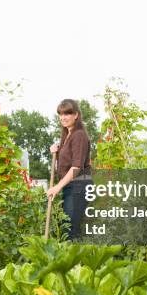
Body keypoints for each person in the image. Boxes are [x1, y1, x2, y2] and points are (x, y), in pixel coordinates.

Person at [46, 99, 93, 240]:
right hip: (71, 186)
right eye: (60, 114)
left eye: (67, 113)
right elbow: (63, 167)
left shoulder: (79, 135)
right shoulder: (67, 136)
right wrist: (56, 152)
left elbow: (76, 167)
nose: (63, 117)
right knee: (67, 228)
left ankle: (77, 262)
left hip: (78, 187)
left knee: (70, 232)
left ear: (76, 115)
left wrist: (57, 188)